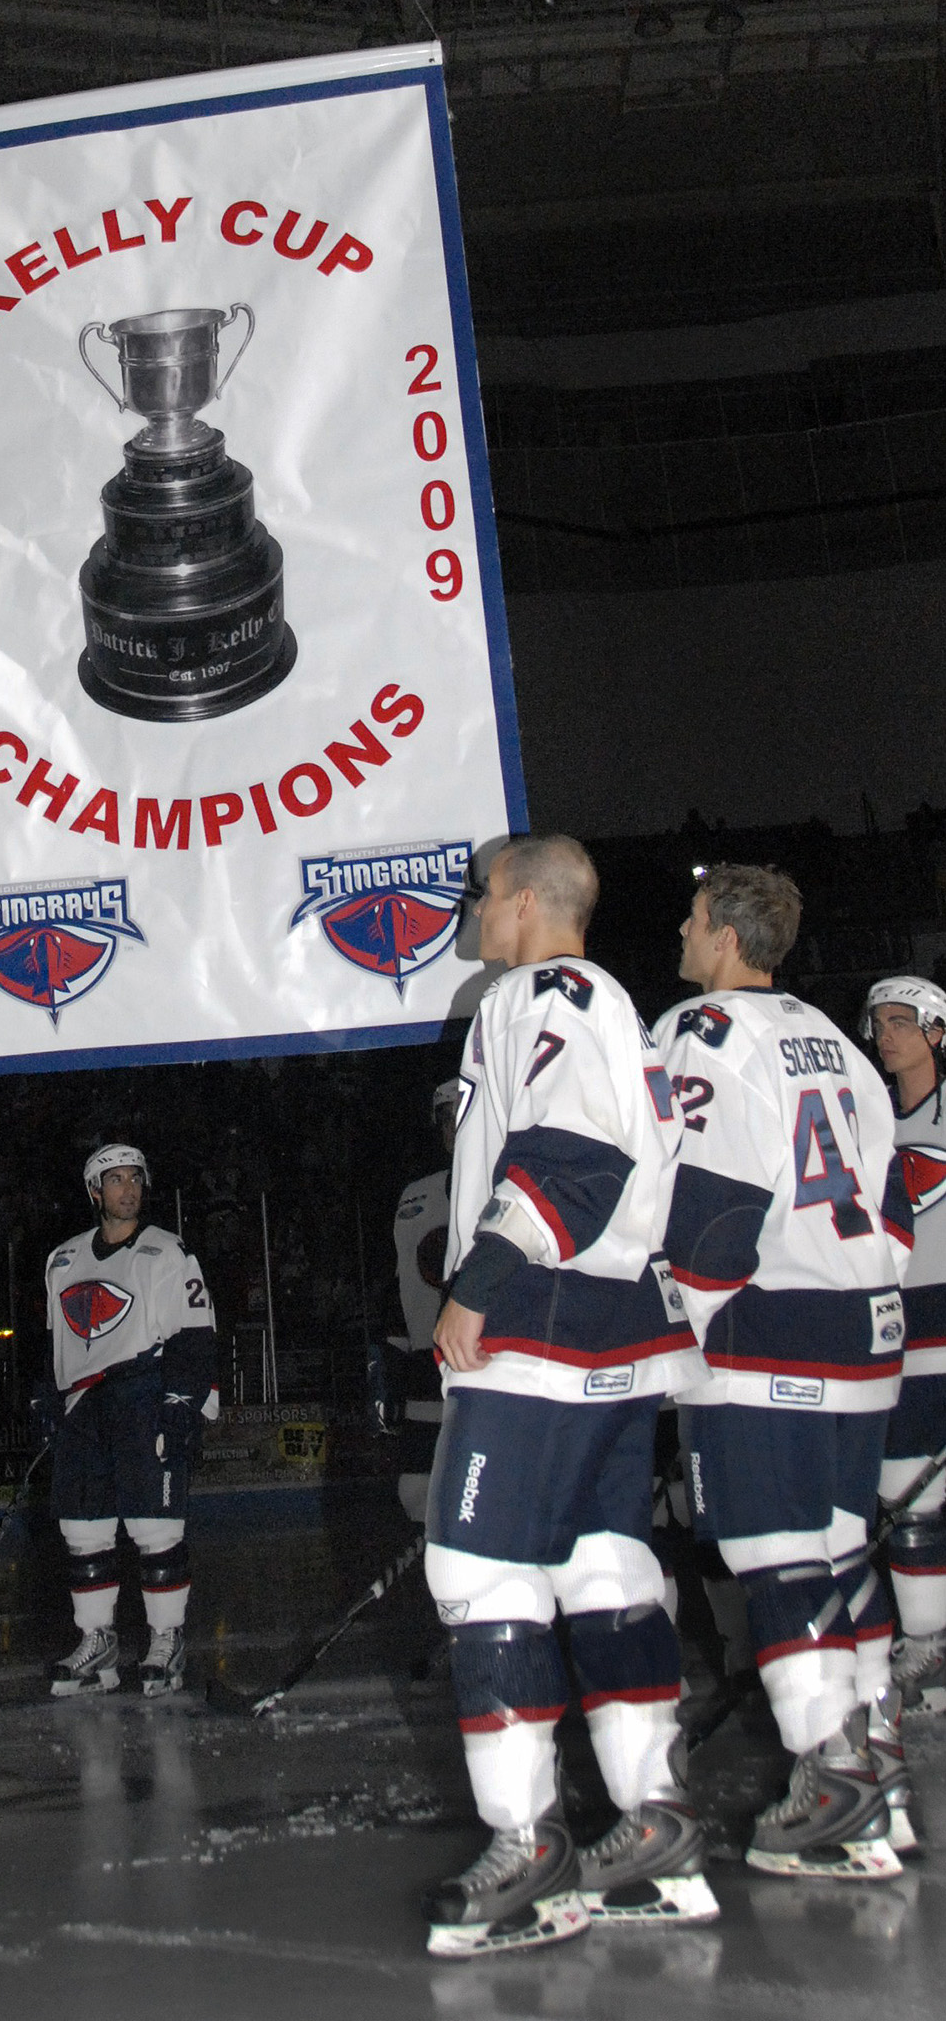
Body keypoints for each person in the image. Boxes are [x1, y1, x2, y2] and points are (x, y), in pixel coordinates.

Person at [421, 835, 703, 1961]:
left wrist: (478, 1285)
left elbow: (574, 1158)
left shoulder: (537, 990)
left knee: (479, 1570)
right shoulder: (610, 1004)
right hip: (619, 1323)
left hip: (538, 1318)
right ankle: (655, 1823)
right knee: (600, 1568)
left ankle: (526, 1847)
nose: (475, 915)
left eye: (484, 896)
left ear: (528, 902)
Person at [658, 868, 911, 1873]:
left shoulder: (703, 1032)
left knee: (774, 1556)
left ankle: (830, 1772)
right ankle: (870, 1754)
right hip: (863, 1326)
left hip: (769, 1330)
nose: (679, 931)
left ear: (723, 935)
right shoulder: (835, 1039)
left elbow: (716, 1200)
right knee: (839, 1552)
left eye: (689, 918)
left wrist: (683, 1319)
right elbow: (892, 1200)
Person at [36, 1143, 216, 1699]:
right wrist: (46, 1399)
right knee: (83, 1530)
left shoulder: (167, 1251)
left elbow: (195, 1330)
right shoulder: (62, 1259)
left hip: (143, 1392)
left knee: (154, 1527)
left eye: (135, 1178)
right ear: (95, 1191)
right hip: (83, 1406)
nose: (128, 1189)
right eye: (115, 1180)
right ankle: (98, 1642)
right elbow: (55, 1341)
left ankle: (166, 1639)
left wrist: (183, 1401)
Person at [861, 976, 946, 1716]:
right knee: (907, 1495)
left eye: (901, 1022)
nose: (885, 1036)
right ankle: (928, 1645)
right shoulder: (865, 1116)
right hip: (901, 1327)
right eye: (878, 1023)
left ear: (936, 1032)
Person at [374, 1080, 457, 1526]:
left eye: (464, 1114)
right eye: (446, 1118)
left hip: (494, 1359)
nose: (455, 1127)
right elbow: (402, 1278)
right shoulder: (415, 1195)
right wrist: (388, 1357)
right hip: (428, 1363)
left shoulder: (509, 1185)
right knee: (416, 1492)